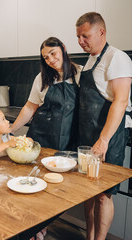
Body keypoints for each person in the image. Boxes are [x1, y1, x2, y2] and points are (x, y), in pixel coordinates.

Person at [76, 12, 132, 240]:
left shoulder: (117, 58)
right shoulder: (90, 59)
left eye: (85, 36)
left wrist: (104, 139)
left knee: (103, 195)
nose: (80, 41)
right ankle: (89, 237)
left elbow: (120, 101)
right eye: (78, 36)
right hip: (88, 136)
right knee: (88, 192)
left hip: (108, 137)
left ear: (101, 32)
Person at [11, 37, 82, 151]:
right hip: (39, 138)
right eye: (46, 58)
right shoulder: (41, 78)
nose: (51, 60)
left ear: (63, 48)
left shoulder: (80, 74)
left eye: (53, 53)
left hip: (68, 141)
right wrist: (12, 129)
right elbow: (30, 107)